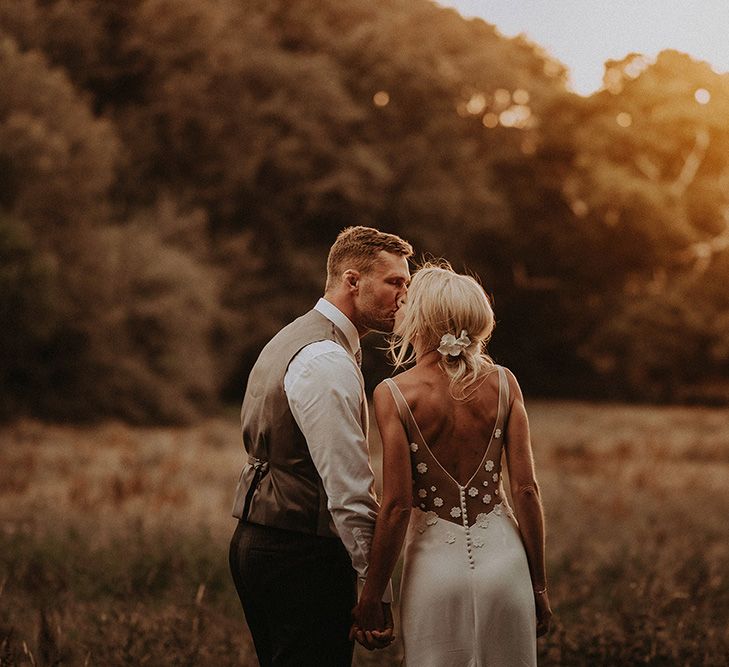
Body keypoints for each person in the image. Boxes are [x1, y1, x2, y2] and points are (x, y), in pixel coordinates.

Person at [229, 226, 413, 666]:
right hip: (300, 555)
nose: (405, 297)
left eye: (406, 284)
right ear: (352, 281)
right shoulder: (326, 359)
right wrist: (375, 590)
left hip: (262, 540)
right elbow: (348, 489)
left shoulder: (294, 336)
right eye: (395, 282)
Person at [351, 263, 552, 665]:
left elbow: (396, 506)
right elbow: (526, 490)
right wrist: (540, 588)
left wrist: (371, 596)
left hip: (433, 571)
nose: (400, 308)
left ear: (423, 318)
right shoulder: (505, 383)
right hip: (506, 566)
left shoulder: (393, 394)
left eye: (407, 303)